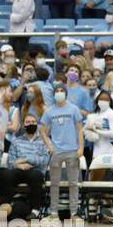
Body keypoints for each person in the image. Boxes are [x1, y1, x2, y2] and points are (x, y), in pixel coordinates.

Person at [39, 82, 83, 218]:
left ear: (65, 93)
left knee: (73, 183)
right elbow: (42, 131)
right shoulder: (49, 111)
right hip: (56, 152)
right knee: (54, 183)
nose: (59, 93)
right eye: (56, 90)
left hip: (72, 150)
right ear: (53, 94)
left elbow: (80, 129)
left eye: (61, 90)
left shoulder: (74, 109)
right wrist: (49, 145)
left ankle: (74, 211)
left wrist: (81, 147)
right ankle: (53, 211)